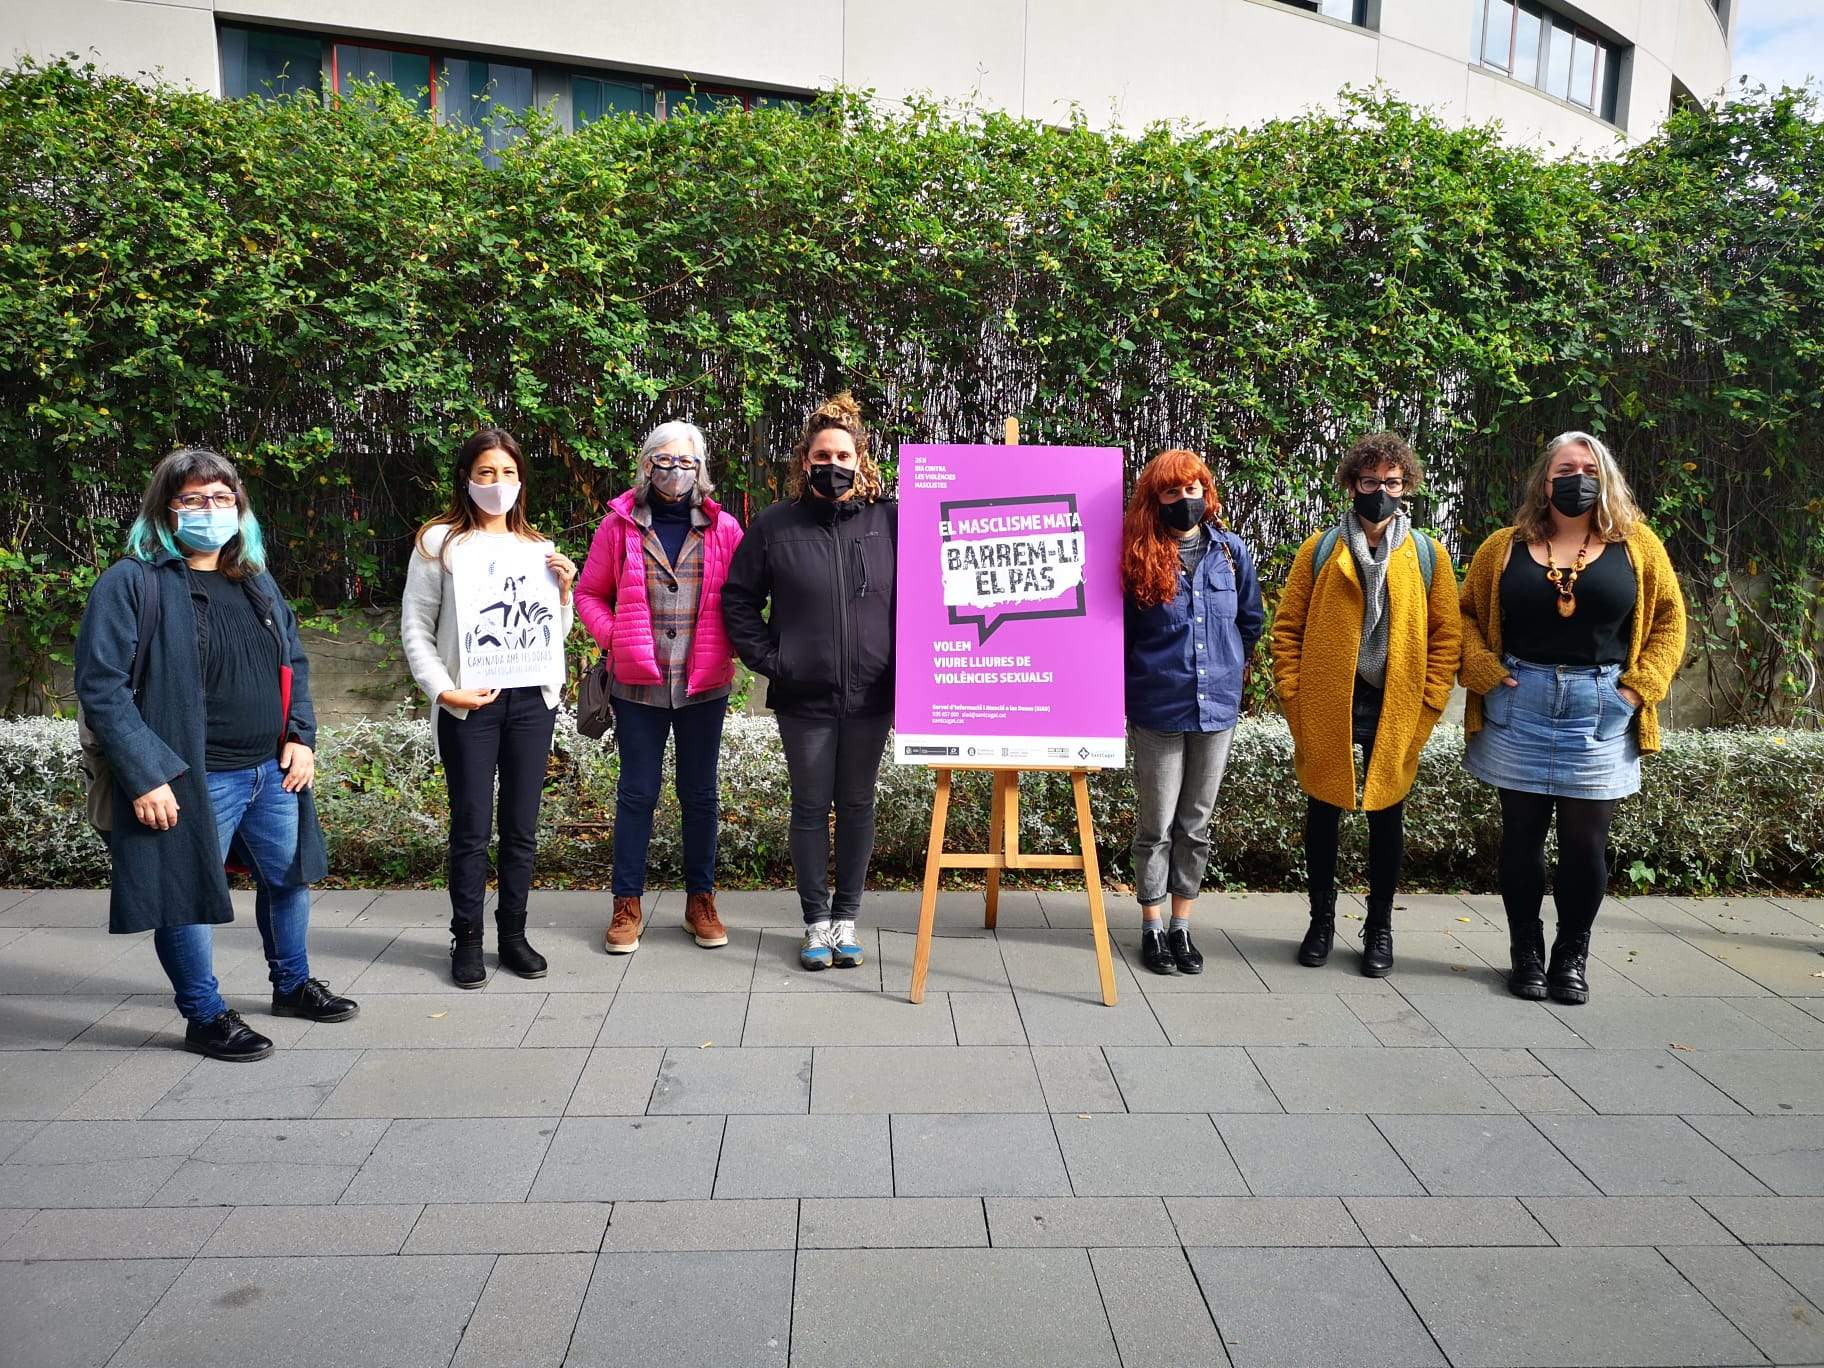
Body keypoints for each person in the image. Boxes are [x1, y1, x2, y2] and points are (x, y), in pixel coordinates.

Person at [74, 447, 357, 1062]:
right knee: (185, 895)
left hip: (270, 771)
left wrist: (301, 737)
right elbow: (102, 687)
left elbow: (294, 662)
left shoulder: (252, 579)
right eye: (193, 500)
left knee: (287, 878)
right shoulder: (133, 582)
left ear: (239, 509)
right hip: (187, 778)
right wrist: (146, 775)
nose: (210, 509)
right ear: (165, 511)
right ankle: (204, 1016)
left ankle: (292, 984)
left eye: (222, 498)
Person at [1459, 431, 1687, 1005]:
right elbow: (1461, 615)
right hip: (1520, 702)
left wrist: (1639, 691)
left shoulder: (1637, 547)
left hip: (1602, 706)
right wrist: (1485, 671)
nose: (1576, 477)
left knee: (1586, 843)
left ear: (1604, 477)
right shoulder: (1503, 547)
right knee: (1521, 840)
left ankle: (1571, 955)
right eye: (1565, 467)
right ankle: (1526, 952)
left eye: (1588, 468)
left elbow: (1669, 621)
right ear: (1545, 479)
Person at [1273, 431, 1460, 977]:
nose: (1381, 490)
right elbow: (1288, 630)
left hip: (1395, 703)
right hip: (1331, 700)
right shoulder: (1321, 549)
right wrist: (1294, 696)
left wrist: (1427, 704)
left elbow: (1446, 635)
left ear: (1407, 488)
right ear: (1352, 484)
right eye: (1371, 480)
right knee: (1323, 813)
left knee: (1387, 817)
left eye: (1392, 482)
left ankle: (1379, 927)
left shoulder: (1426, 555)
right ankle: (1320, 922)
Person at [722, 393, 896, 971]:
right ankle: (815, 922)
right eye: (822, 454)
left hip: (872, 693)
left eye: (843, 453)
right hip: (805, 697)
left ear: (861, 458)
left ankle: (847, 918)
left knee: (856, 803)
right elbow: (739, 599)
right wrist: (776, 661)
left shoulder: (890, 521)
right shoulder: (775, 524)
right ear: (805, 461)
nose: (833, 464)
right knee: (809, 805)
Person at [400, 428, 577, 988]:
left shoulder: (538, 547)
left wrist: (565, 593)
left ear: (520, 479)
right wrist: (442, 690)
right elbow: (415, 630)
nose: (496, 483)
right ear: (466, 478)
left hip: (532, 700)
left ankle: (514, 934)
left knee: (522, 825)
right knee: (472, 826)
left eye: (506, 472)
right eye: (485, 473)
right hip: (468, 704)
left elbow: (552, 632)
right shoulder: (439, 544)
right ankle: (468, 938)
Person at [575, 421, 745, 955]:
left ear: (701, 469)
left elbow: (742, 600)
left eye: (686, 462)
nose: (675, 471)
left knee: (700, 794)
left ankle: (701, 899)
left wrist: (737, 644)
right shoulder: (620, 527)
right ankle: (626, 903)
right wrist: (616, 640)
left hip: (703, 685)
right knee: (636, 794)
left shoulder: (725, 529)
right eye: (664, 460)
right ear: (646, 465)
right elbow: (589, 595)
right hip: (637, 686)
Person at [1122, 449, 1265, 975]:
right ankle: (1152, 927)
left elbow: (1249, 621)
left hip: (1216, 708)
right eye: (1171, 492)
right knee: (1156, 824)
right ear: (1153, 500)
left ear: (1206, 492)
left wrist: (1228, 670)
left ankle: (1183, 926)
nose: (1184, 500)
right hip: (1158, 707)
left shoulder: (1231, 553)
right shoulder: (1137, 555)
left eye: (1192, 490)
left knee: (1196, 824)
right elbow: (1122, 638)